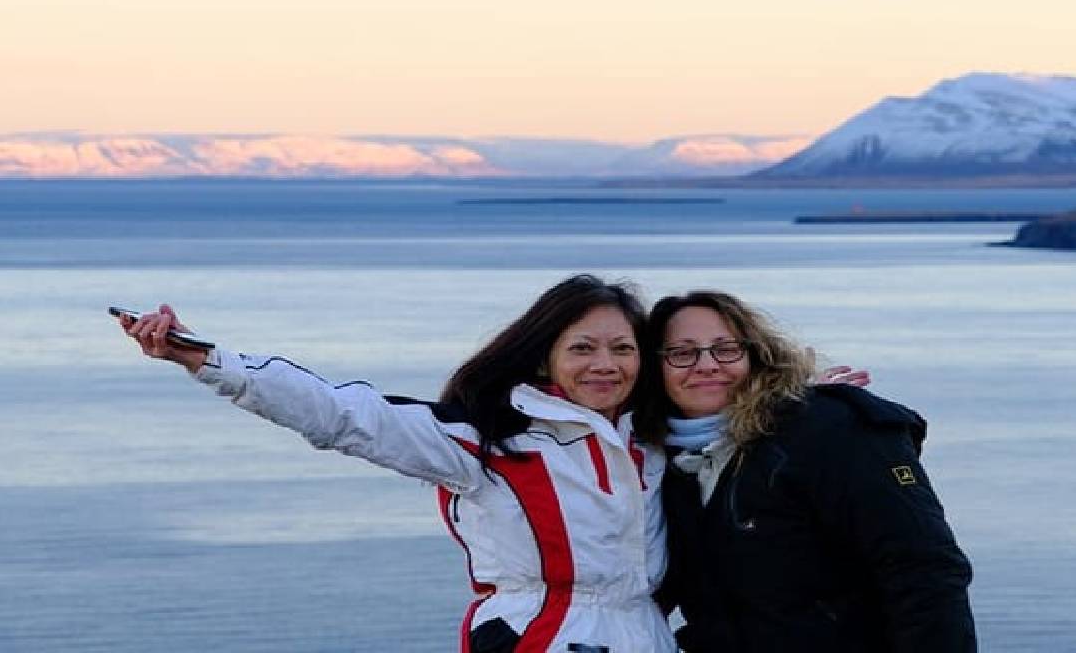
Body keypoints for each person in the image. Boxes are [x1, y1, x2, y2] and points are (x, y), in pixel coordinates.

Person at [118, 275, 677, 653]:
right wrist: (208, 360)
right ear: (544, 356)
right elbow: (345, 416)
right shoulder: (485, 440)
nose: (604, 364)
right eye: (582, 348)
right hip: (542, 637)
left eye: (621, 349)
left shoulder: (653, 443)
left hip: (646, 635)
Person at [638, 291, 977, 652]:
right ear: (655, 368)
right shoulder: (661, 469)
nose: (706, 365)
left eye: (726, 348)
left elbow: (925, 571)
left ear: (757, 355)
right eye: (682, 353)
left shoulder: (832, 430)